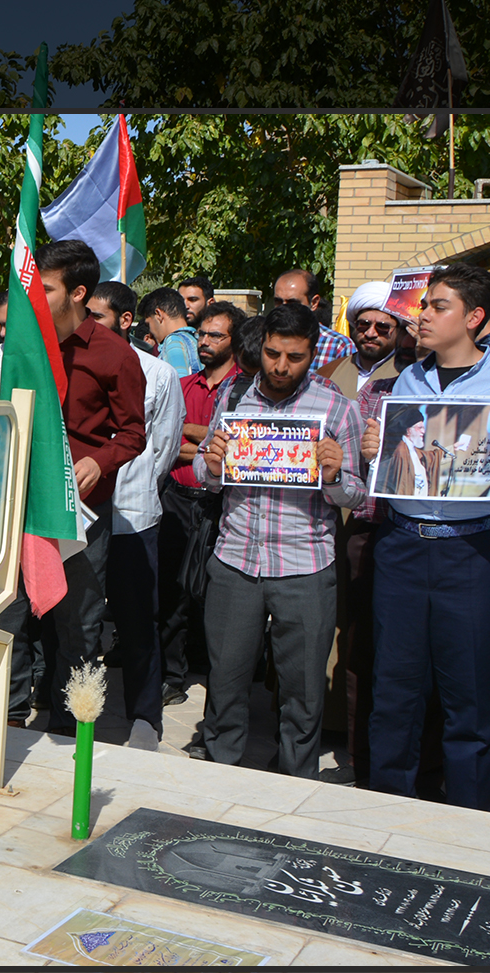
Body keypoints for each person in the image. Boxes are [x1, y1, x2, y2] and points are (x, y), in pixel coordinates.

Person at [361, 264, 490, 811]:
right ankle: (385, 812)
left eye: (437, 306)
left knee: (470, 698)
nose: (422, 315)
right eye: (424, 305)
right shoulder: (406, 382)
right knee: (394, 692)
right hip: (402, 546)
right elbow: (394, 467)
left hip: (476, 552)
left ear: (474, 317)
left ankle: (469, 821)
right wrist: (375, 452)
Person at [193, 303, 365, 777]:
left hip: (305, 566)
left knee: (303, 693)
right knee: (225, 683)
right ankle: (218, 774)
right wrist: (211, 466)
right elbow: (204, 470)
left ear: (313, 354)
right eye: (272, 354)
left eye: (295, 357)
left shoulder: (337, 408)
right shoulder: (234, 399)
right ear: (261, 346)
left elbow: (357, 493)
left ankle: (294, 784)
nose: (281, 367)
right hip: (235, 561)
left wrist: (334, 475)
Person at [0, 240, 147, 732]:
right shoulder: (25, 347)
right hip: (21, 502)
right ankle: (6, 719)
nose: (34, 297)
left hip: (81, 512)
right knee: (7, 616)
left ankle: (70, 729)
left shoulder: (115, 355)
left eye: (46, 288)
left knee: (78, 624)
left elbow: (134, 434)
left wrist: (100, 461)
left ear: (78, 293)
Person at [317, 281, 418, 786]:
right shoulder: (333, 373)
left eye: (383, 325)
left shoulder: (411, 376)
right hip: (332, 518)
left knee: (376, 638)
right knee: (340, 627)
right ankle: (338, 727)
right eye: (364, 325)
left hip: (383, 519)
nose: (372, 333)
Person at [89, 281, 183, 743]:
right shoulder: (76, 363)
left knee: (136, 619)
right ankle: (74, 712)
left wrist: (137, 484)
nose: (88, 324)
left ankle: (145, 717)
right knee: (82, 620)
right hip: (85, 515)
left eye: (98, 316)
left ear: (126, 321)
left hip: (133, 514)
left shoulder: (159, 374)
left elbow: (163, 448)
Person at [160, 301, 243, 709]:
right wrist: (208, 442)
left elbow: (237, 452)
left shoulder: (244, 390)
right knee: (170, 591)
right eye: (202, 334)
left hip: (221, 502)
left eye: (215, 335)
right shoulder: (181, 385)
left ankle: (218, 678)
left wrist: (195, 437)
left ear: (235, 340)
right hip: (177, 497)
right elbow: (167, 441)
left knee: (216, 596)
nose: (205, 342)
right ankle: (170, 677)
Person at [273, 268, 357, 371]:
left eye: (292, 303)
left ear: (314, 303)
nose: (284, 308)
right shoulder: (264, 337)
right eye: (278, 302)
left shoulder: (339, 346)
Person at [137, 286, 199, 374]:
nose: (150, 332)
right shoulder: (196, 339)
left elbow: (180, 380)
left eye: (148, 324)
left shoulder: (174, 342)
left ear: (158, 314)